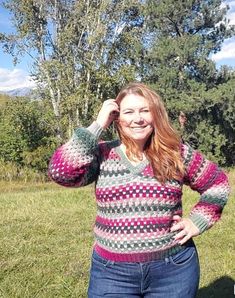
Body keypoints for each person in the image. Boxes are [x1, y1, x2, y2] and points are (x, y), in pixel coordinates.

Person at [48, 82, 230, 298]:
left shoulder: (176, 153)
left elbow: (217, 183)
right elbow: (61, 172)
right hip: (111, 273)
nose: (138, 119)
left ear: (156, 115)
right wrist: (97, 125)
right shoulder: (102, 153)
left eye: (145, 110)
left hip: (173, 269)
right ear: (116, 117)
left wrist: (197, 222)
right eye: (129, 112)